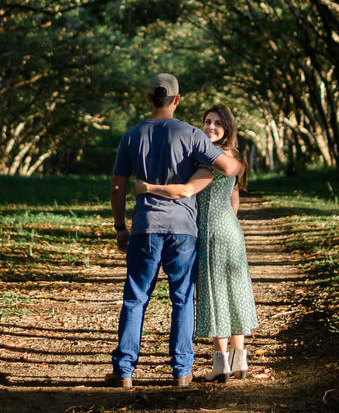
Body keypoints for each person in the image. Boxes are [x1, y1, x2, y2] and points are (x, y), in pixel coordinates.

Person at [107, 73, 242, 389]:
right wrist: (224, 165)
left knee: (135, 299)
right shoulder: (192, 134)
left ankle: (124, 372)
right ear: (177, 100)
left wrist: (120, 228)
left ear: (148, 99)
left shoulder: (131, 136)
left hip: (145, 229)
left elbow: (117, 186)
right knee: (182, 300)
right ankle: (182, 373)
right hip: (183, 231)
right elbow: (228, 167)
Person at [136, 103, 258, 383]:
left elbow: (187, 190)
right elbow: (234, 198)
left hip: (214, 233)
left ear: (227, 128)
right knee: (233, 291)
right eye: (207, 122)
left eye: (217, 123)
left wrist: (148, 187)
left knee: (215, 294)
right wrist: (227, 223)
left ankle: (221, 364)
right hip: (231, 230)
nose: (210, 128)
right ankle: (240, 360)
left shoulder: (213, 163)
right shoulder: (232, 159)